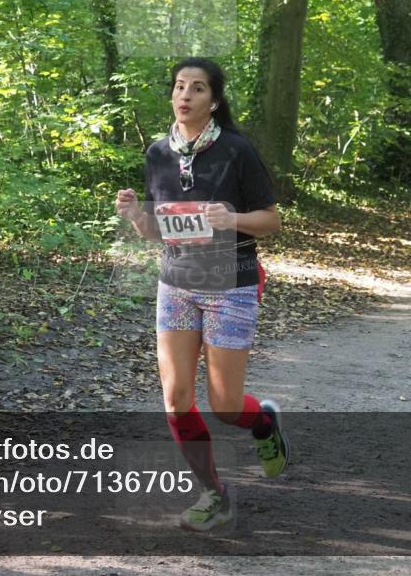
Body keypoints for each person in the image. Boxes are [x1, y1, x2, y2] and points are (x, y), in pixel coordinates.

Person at [114, 57, 288, 532]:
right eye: (179, 87)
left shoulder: (236, 151)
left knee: (225, 405)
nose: (185, 95)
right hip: (175, 284)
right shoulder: (158, 153)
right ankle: (214, 493)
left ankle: (262, 422)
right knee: (175, 400)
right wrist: (135, 216)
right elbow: (158, 231)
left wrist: (231, 219)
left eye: (197, 88)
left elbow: (271, 220)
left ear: (214, 101)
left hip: (231, 284)